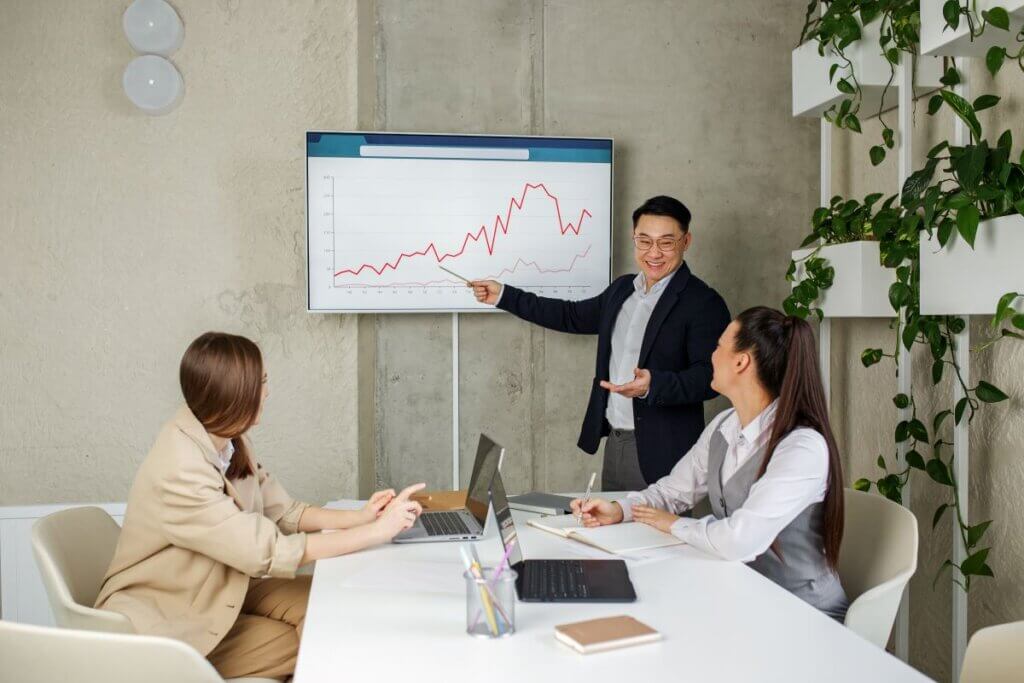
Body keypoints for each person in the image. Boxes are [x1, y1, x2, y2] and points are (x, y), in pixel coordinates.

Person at [95, 332, 425, 680]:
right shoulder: (180, 469)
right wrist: (375, 533)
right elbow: (270, 552)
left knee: (336, 602)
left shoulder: (229, 439)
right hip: (170, 621)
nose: (267, 391)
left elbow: (283, 511)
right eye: (262, 381)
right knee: (322, 636)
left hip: (224, 584)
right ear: (234, 393)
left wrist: (360, 518)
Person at [571, 307, 849, 620]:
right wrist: (620, 510)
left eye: (718, 346)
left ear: (741, 361)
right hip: (744, 595)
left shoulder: (802, 448)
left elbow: (739, 539)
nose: (711, 355)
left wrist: (673, 524)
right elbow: (673, 492)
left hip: (804, 612)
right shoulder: (724, 425)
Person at [470, 195, 730, 490]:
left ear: (686, 241)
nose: (653, 252)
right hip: (616, 443)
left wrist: (653, 385)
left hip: (666, 452)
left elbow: (711, 378)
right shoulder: (622, 290)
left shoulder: (703, 302)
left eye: (666, 242)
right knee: (611, 534)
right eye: (644, 241)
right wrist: (504, 295)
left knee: (661, 535)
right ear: (634, 240)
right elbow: (570, 315)